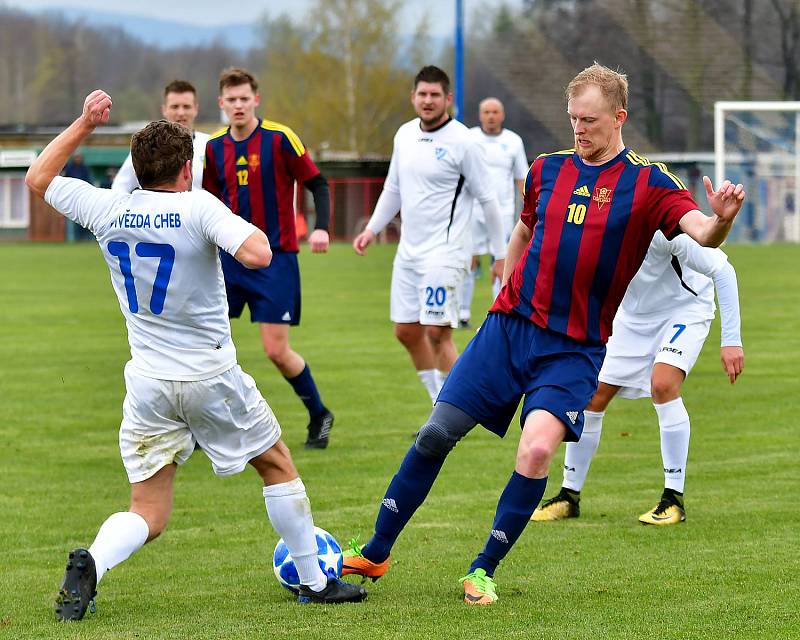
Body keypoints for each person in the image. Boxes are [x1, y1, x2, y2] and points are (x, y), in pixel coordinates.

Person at [341, 63, 745, 606]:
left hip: (573, 351)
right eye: (573, 119)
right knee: (434, 434)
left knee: (534, 454)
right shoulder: (545, 169)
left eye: (591, 120)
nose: (579, 130)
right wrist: (504, 282)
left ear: (619, 118)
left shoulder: (649, 182)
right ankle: (376, 549)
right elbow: (525, 228)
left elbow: (703, 232)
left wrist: (720, 219)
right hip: (509, 331)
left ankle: (482, 569)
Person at [25, 90, 367, 621]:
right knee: (277, 465)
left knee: (148, 510)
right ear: (188, 168)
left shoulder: (108, 207)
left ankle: (93, 560)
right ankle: (316, 581)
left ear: (136, 170)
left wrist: (86, 123)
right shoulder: (197, 205)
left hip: (148, 382)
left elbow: (38, 179)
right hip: (210, 374)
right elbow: (259, 254)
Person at [532, 231, 744, 525]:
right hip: (631, 316)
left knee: (663, 384)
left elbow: (724, 270)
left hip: (684, 309)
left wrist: (731, 339)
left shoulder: (668, 226)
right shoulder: (604, 221)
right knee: (592, 396)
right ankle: (569, 496)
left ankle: (673, 499)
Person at [352, 66, 507, 404]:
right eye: (422, 94)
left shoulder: (464, 141)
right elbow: (393, 188)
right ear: (413, 97)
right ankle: (439, 405)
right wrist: (371, 229)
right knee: (406, 332)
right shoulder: (404, 135)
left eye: (435, 95)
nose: (428, 100)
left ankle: (453, 414)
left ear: (448, 99)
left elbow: (489, 199)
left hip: (446, 252)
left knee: (437, 332)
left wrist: (500, 255)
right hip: (408, 252)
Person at [203, 67, 335, 449]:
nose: (239, 105)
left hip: (275, 259)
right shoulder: (213, 148)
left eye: (245, 99)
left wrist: (322, 226)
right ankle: (204, 426)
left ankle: (319, 413)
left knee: (276, 351)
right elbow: (208, 203)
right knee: (206, 342)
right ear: (222, 104)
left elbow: (318, 183)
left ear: (256, 100)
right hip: (228, 260)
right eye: (232, 100)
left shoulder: (280, 138)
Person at [459, 97, 528, 328]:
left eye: (495, 112)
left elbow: (521, 178)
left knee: (503, 261)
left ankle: (498, 312)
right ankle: (462, 313)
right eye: (486, 111)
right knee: (470, 260)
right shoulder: (469, 138)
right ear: (480, 115)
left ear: (502, 115)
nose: (491, 116)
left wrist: (530, 209)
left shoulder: (513, 141)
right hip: (473, 211)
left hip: (504, 213)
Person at [112, 80, 208, 193]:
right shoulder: (149, 146)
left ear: (196, 109)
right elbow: (119, 189)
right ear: (164, 109)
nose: (181, 113)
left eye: (186, 107)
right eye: (175, 107)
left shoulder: (211, 144)